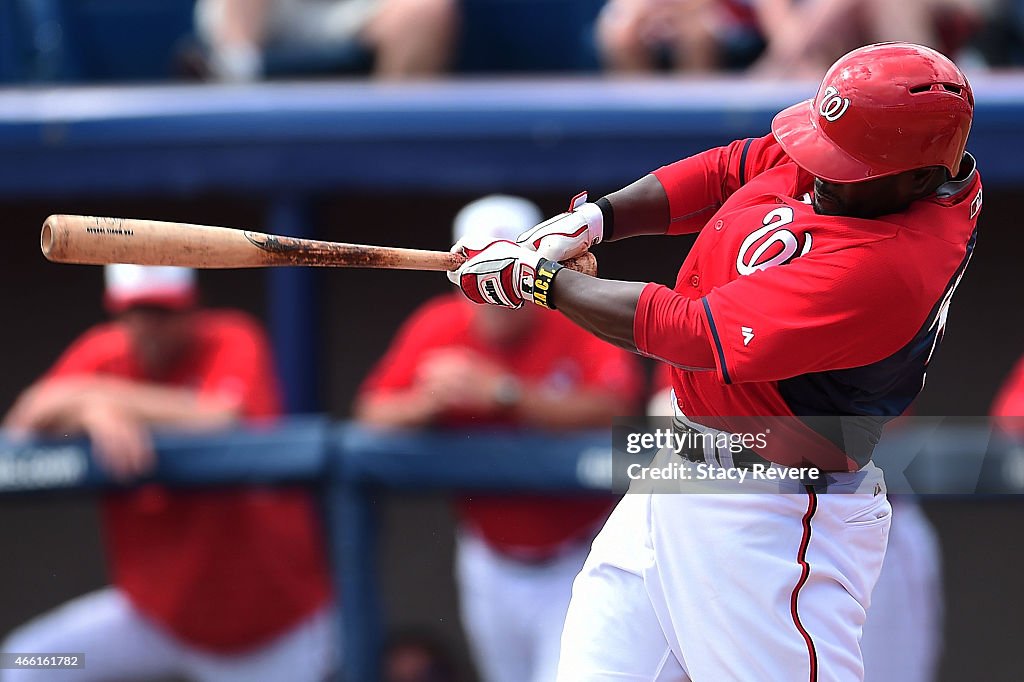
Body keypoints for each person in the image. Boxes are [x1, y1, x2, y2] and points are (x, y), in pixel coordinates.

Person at [449, 42, 980, 680]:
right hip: (677, 475)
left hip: (771, 518)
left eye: (846, 166)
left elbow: (693, 332)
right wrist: (594, 221)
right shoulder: (873, 156)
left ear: (919, 177)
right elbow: (737, 166)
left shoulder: (892, 265)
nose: (819, 171)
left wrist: (542, 285)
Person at [355, 195, 642, 682]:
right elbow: (370, 415)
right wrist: (428, 403)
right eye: (478, 268)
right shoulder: (438, 325)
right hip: (488, 558)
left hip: (579, 552)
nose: (491, 288)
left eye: (504, 267)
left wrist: (506, 394)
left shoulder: (575, 313)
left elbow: (619, 409)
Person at [1, 265, 335, 682]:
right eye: (139, 310)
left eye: (164, 310)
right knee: (26, 663)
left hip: (268, 633)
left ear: (193, 307)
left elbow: (220, 416)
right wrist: (89, 409)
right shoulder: (103, 353)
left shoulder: (232, 337)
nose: (151, 325)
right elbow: (22, 421)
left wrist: (98, 397)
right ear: (118, 312)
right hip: (158, 619)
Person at [194, 0, 457, 81]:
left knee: (425, 9)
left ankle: (391, 149)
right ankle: (236, 71)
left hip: (350, 8)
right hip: (269, 12)